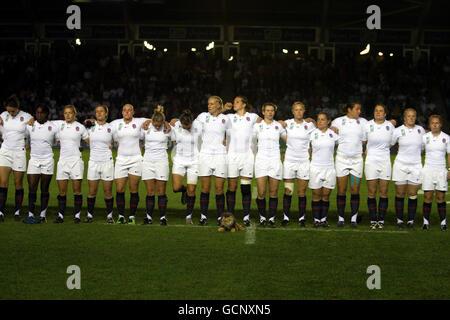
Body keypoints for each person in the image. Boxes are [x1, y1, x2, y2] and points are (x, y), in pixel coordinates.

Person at [223, 96, 260, 226]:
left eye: (237, 102)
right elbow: (215, 118)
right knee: (231, 187)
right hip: (232, 156)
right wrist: (223, 109)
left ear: (244, 104)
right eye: (234, 102)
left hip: (247, 157)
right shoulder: (229, 117)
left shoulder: (253, 117)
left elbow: (266, 121)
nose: (234, 104)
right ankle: (230, 216)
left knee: (245, 188)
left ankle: (246, 217)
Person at [110, 104, 149, 224]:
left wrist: (147, 122)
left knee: (133, 189)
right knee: (120, 189)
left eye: (129, 110)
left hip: (136, 159)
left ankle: (132, 216)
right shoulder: (115, 123)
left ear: (133, 112)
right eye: (125, 110)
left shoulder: (139, 121)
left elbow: (154, 119)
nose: (127, 112)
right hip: (121, 159)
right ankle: (121, 216)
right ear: (122, 112)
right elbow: (104, 128)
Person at [330, 102, 368, 228]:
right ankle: (341, 218)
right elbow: (331, 136)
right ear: (349, 109)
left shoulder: (363, 122)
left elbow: (364, 140)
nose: (359, 111)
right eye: (357, 109)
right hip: (342, 160)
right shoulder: (337, 121)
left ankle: (353, 219)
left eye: (360, 109)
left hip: (357, 161)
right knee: (341, 190)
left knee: (354, 189)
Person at [195, 96, 231, 226]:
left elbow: (233, 134)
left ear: (218, 105)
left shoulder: (226, 119)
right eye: (208, 104)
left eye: (212, 104)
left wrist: (229, 141)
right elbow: (190, 125)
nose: (209, 106)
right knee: (205, 188)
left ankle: (220, 218)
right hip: (205, 155)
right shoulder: (202, 116)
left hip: (221, 156)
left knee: (219, 188)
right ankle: (203, 217)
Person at [281, 101, 316, 227]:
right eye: (296, 110)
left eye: (301, 109)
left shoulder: (310, 125)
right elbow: (276, 125)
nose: (299, 112)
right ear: (292, 111)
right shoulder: (287, 123)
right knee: (288, 191)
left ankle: (302, 218)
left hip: (304, 161)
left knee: (302, 192)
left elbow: (318, 134)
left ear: (304, 111)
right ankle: (286, 217)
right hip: (290, 161)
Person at [53, 105, 89, 223]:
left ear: (74, 114)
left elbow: (89, 141)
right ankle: (60, 216)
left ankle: (77, 216)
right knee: (62, 192)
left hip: (76, 162)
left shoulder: (80, 127)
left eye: (70, 113)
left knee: (76, 191)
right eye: (65, 113)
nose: (67, 115)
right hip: (63, 161)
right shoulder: (59, 126)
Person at [252, 102, 287, 228]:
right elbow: (251, 142)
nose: (270, 112)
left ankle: (271, 218)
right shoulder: (257, 126)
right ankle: (262, 217)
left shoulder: (279, 126)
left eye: (272, 110)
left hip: (275, 161)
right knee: (261, 193)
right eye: (267, 110)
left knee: (273, 192)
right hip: (261, 161)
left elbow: (288, 141)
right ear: (263, 112)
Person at [0, 94, 33, 222]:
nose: (10, 113)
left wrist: (28, 142)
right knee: (3, 183)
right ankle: (1, 211)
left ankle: (17, 212)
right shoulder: (3, 115)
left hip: (19, 152)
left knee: (18, 183)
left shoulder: (27, 117)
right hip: (5, 152)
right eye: (8, 111)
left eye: (12, 111)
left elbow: (33, 130)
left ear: (18, 108)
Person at [391, 108, 425, 228]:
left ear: (415, 118)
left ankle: (410, 220)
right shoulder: (398, 131)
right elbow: (390, 144)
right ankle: (399, 220)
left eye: (413, 116)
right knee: (400, 193)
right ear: (404, 118)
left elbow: (422, 148)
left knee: (412, 193)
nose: (411, 118)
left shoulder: (421, 130)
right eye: (409, 116)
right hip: (400, 165)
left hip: (416, 165)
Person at [364, 104, 395, 229]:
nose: (378, 113)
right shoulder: (367, 125)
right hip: (371, 161)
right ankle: (373, 220)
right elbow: (362, 141)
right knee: (372, 192)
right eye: (376, 110)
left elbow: (392, 143)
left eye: (381, 111)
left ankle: (381, 220)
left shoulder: (390, 126)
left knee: (383, 192)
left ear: (385, 114)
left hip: (385, 162)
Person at [25, 104, 57, 222]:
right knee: (32, 187)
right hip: (34, 160)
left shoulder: (53, 126)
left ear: (46, 114)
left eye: (41, 113)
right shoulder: (30, 126)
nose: (39, 115)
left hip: (48, 160)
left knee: (44, 188)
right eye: (37, 113)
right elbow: (21, 135)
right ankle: (30, 214)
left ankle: (43, 215)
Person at [170, 109, 202, 224]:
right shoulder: (176, 124)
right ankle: (184, 190)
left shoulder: (198, 125)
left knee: (192, 190)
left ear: (192, 122)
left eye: (188, 126)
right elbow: (163, 124)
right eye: (184, 126)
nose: (186, 128)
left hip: (194, 162)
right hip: (179, 161)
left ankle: (188, 216)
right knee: (176, 188)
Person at [141, 105, 171, 226]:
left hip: (162, 161)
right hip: (148, 161)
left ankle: (163, 218)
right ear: (152, 121)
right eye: (155, 124)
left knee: (161, 191)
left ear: (163, 122)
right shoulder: (146, 127)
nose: (157, 126)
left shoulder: (168, 129)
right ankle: (148, 217)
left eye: (160, 124)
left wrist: (168, 123)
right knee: (150, 191)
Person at [85, 105, 115, 223]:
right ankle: (89, 215)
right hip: (93, 162)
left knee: (108, 192)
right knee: (92, 192)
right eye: (97, 112)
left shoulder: (111, 127)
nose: (99, 113)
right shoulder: (89, 126)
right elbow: (84, 137)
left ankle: (109, 216)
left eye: (101, 111)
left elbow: (117, 140)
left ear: (106, 113)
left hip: (107, 162)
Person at [309, 112, 339, 227]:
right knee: (316, 194)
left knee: (326, 195)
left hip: (329, 168)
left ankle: (324, 219)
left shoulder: (334, 134)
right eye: (318, 119)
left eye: (323, 119)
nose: (320, 121)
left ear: (328, 121)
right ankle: (316, 219)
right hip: (315, 167)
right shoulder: (312, 134)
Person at [421, 115, 449, 231]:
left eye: (437, 123)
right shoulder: (425, 137)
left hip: (441, 170)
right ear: (429, 125)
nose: (435, 125)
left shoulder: (446, 138)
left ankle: (443, 223)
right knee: (427, 196)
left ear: (441, 124)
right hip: (428, 169)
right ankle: (425, 223)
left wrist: (449, 169)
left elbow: (449, 155)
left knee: (440, 197)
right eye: (433, 123)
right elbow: (419, 151)